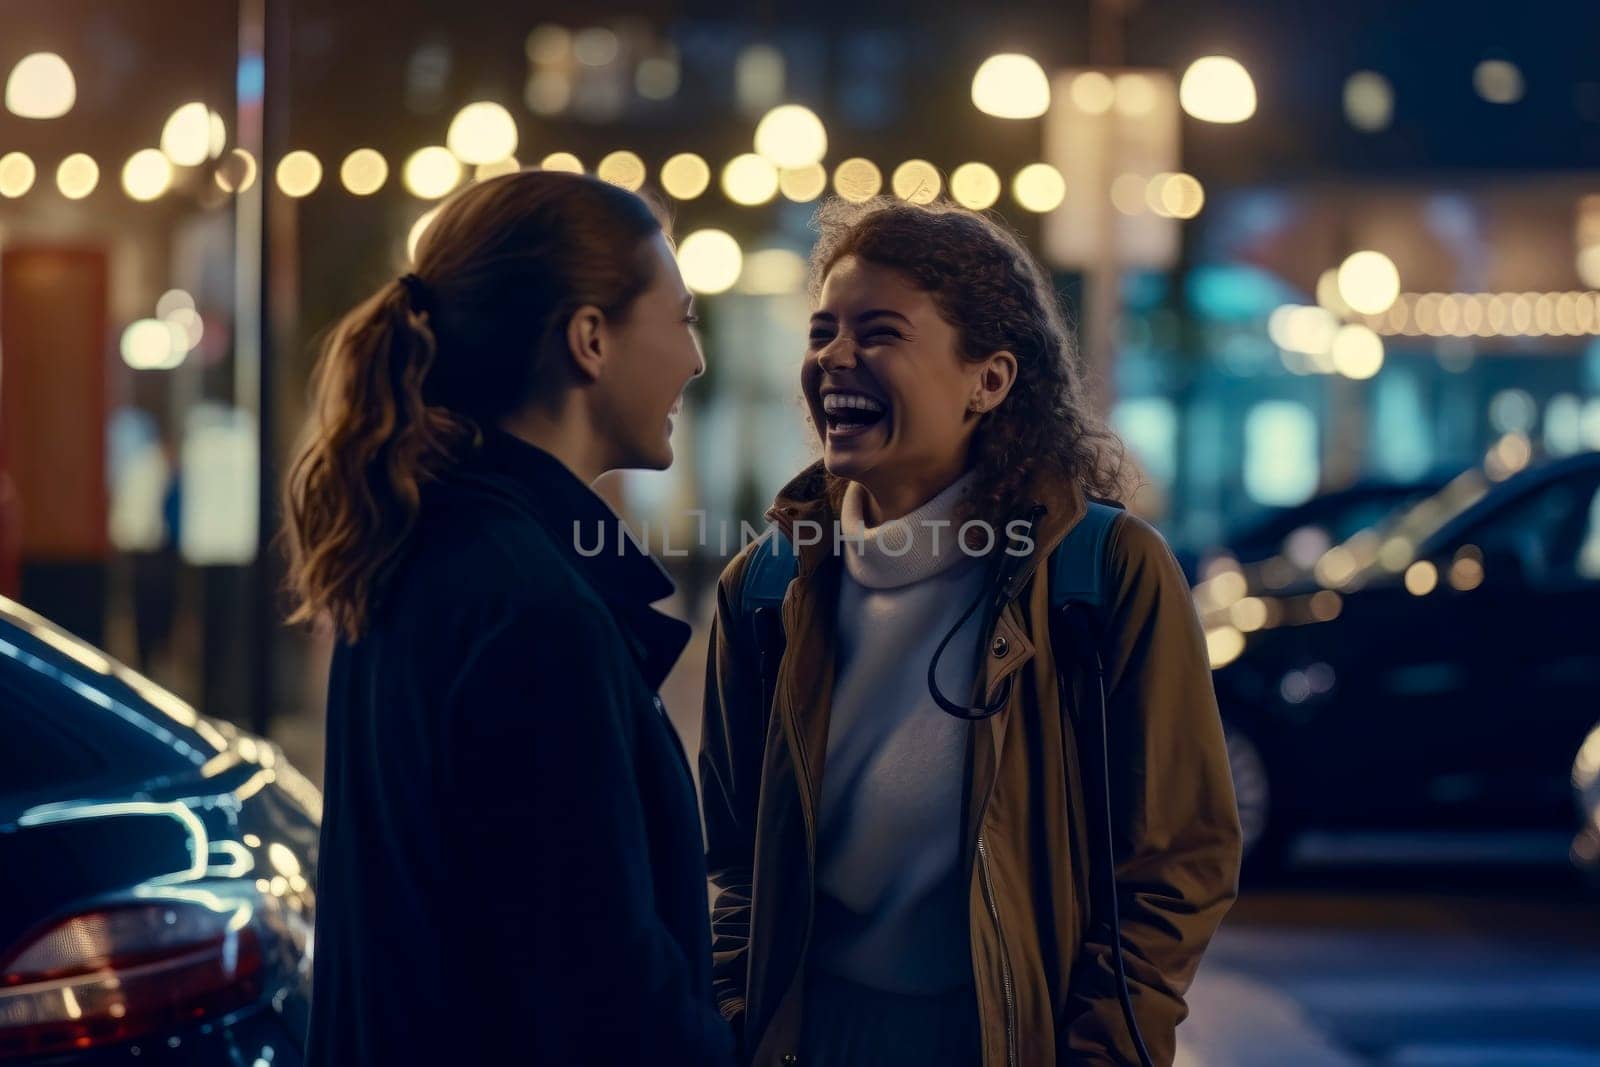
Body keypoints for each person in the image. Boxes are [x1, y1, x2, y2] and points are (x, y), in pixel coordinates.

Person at [700, 198, 1241, 1066]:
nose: (835, 356)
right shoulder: (765, 587)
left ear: (989, 381)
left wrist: (1103, 1049)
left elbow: (1178, 859)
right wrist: (738, 1020)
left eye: (879, 332)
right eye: (822, 330)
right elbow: (733, 860)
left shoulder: (1105, 573)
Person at [283, 170, 734, 1066]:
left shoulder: (422, 552)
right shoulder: (534, 612)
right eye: (681, 319)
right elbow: (603, 990)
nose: (696, 358)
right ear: (590, 339)